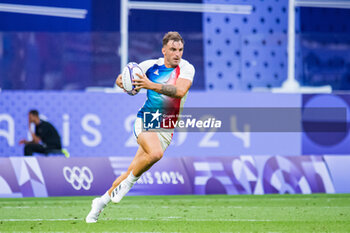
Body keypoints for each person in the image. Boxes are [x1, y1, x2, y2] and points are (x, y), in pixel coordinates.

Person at [86, 31, 195, 223]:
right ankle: (128, 184)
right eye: (173, 49)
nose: (177, 54)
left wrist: (148, 84)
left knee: (131, 171)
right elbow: (121, 79)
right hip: (146, 119)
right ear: (164, 50)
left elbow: (179, 91)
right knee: (155, 154)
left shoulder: (187, 68)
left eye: (180, 50)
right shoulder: (148, 66)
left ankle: (99, 204)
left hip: (167, 127)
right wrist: (124, 82)